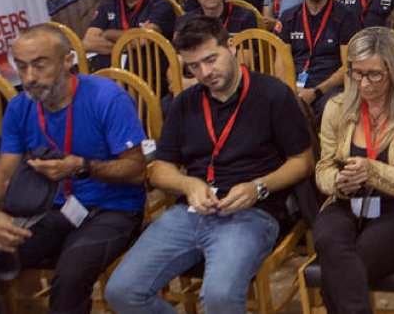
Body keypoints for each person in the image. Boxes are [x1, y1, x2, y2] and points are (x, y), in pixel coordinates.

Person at [105, 16, 314, 314]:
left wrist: (258, 187)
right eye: (193, 66)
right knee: (122, 291)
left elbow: (302, 162)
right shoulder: (185, 103)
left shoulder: (272, 95)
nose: (205, 72)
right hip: (191, 212)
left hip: (250, 212)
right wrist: (188, 184)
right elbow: (161, 169)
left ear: (231, 47)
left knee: (219, 296)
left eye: (210, 59)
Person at [0, 25, 147, 314]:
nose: (29, 78)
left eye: (40, 65)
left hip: (112, 209)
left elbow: (136, 170)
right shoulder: (19, 107)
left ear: (67, 61)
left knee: (71, 275)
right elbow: (3, 175)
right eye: (22, 67)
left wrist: (82, 166)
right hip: (51, 209)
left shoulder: (106, 98)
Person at [312, 28, 394, 314]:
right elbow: (322, 170)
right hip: (346, 202)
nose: (364, 84)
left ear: (393, 71)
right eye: (356, 74)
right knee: (327, 239)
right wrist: (338, 180)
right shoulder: (336, 107)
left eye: (374, 74)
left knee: (345, 266)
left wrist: (373, 172)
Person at [279, 0, 363, 116]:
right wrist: (293, 90)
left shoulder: (346, 16)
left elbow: (349, 67)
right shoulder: (288, 17)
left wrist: (316, 92)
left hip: (331, 87)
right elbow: (281, 64)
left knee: (332, 109)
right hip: (295, 85)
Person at [82, 0, 177, 71]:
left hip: (146, 80)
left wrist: (108, 34)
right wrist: (130, 44)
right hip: (109, 77)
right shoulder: (108, 5)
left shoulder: (160, 5)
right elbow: (88, 42)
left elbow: (143, 40)